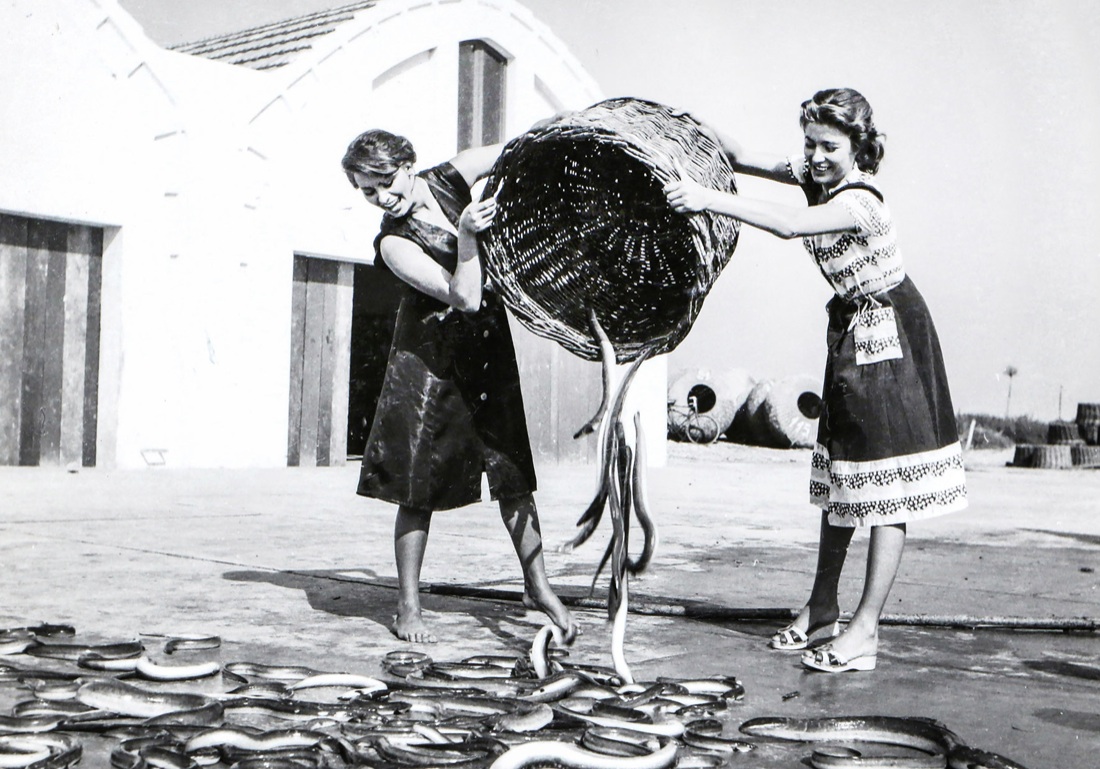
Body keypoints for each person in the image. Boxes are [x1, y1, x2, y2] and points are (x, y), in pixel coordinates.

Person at [664, 88, 967, 672]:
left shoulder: (861, 203)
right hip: (853, 332)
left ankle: (866, 632)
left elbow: (787, 225)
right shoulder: (815, 175)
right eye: (811, 144)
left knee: (886, 484)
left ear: (858, 147)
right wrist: (689, 122)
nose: (818, 156)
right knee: (841, 477)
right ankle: (822, 608)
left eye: (831, 146)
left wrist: (704, 199)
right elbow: (745, 156)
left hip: (892, 336)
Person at [341, 128, 578, 644]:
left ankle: (537, 586)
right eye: (367, 191)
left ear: (408, 163)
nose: (382, 197)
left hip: (486, 348)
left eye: (385, 182)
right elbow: (464, 297)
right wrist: (468, 236)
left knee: (513, 470)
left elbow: (529, 145)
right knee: (417, 484)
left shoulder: (453, 175)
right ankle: (407, 606)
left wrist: (578, 127)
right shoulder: (392, 243)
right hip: (429, 360)